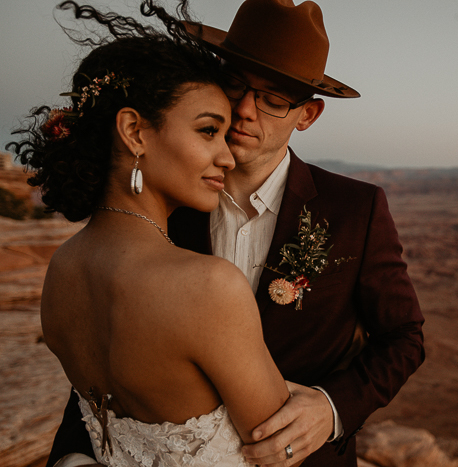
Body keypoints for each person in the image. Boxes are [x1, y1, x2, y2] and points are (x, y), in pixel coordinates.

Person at [47, 0, 426, 466]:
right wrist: (71, 454)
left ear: (307, 115)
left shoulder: (356, 209)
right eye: (235, 84)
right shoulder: (164, 204)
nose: (246, 109)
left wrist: (332, 409)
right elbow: (105, 361)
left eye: (273, 98)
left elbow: (405, 337)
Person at [10, 1, 303, 466]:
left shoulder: (61, 270)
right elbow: (282, 448)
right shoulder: (209, 287)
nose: (226, 157)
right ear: (134, 132)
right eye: (209, 131)